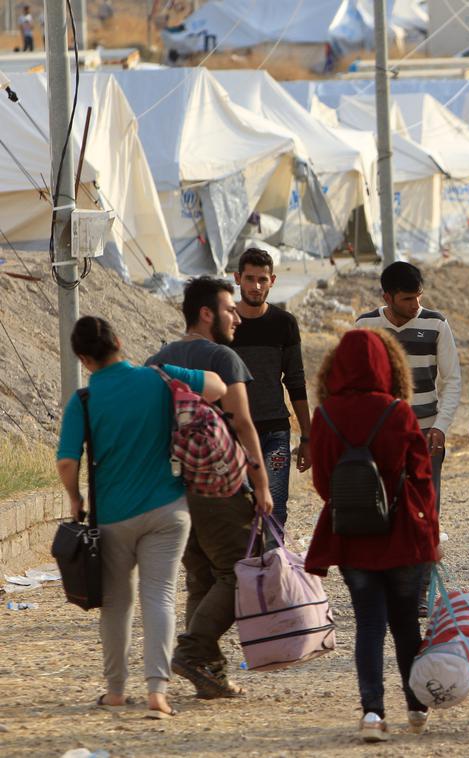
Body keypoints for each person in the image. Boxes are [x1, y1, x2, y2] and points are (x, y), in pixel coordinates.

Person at [57, 316, 225, 720]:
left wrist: (76, 497)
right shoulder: (159, 378)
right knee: (160, 596)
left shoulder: (83, 400)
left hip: (113, 517)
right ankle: (157, 693)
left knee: (117, 604)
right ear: (119, 339)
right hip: (168, 509)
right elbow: (218, 386)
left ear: (83, 358)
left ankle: (115, 692)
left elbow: (66, 462)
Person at [304, 329, 440, 741]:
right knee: (405, 626)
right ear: (388, 364)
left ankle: (372, 714)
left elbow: (325, 485)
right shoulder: (398, 412)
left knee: (368, 624)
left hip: (352, 539)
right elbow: (421, 480)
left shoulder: (324, 416)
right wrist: (430, 537)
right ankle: (416, 707)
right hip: (400, 540)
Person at [146, 276, 273, 698]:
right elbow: (242, 421)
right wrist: (262, 483)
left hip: (170, 487)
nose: (236, 316)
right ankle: (194, 649)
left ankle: (210, 674)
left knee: (202, 576)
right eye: (229, 309)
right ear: (207, 314)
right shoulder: (221, 357)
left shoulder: (158, 360)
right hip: (219, 488)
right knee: (240, 571)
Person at [355, 260, 462, 600]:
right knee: (384, 510)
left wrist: (441, 427)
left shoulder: (436, 324)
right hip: (382, 441)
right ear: (387, 297)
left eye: (418, 297)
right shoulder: (365, 326)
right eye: (406, 299)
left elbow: (452, 380)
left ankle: (420, 589)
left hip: (426, 436)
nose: (415, 305)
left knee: (425, 511)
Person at [230, 249, 310, 530]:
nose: (256, 286)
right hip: (234, 434)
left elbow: (296, 382)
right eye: (250, 279)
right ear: (237, 278)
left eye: (262, 279)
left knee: (275, 509)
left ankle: (273, 568)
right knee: (240, 513)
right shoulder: (225, 324)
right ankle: (245, 571)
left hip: (275, 432)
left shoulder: (284, 324)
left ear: (273, 280)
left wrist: (308, 437)